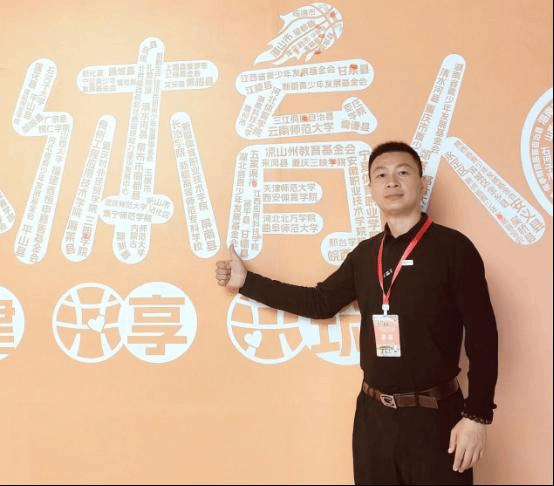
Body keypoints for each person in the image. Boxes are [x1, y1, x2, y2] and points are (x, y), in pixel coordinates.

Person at [215, 141, 498, 485]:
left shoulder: (454, 249)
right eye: (381, 175)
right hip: (373, 419)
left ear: (422, 184)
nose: (391, 182)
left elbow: (483, 335)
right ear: (371, 189)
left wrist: (477, 416)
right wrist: (247, 282)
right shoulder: (365, 255)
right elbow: (319, 302)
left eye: (403, 172)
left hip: (437, 419)